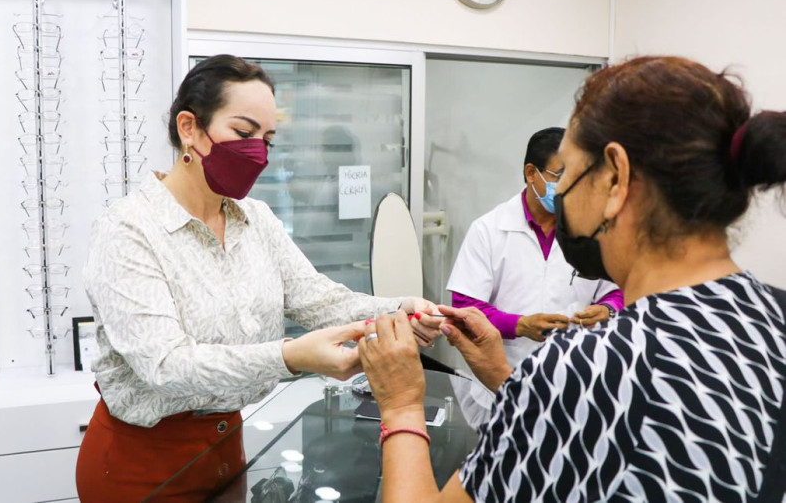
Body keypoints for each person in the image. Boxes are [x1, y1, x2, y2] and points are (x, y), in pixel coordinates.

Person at [359, 56, 786, 502]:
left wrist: (403, 405)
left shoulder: (586, 367)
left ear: (616, 178)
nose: (561, 194)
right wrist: (509, 377)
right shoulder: (772, 318)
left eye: (571, 172)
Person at [74, 54, 439, 502]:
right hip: (142, 462)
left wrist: (398, 309)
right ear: (189, 127)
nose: (258, 153)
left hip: (227, 444)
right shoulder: (128, 230)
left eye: (267, 139)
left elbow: (315, 298)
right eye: (244, 134)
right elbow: (165, 367)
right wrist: (291, 357)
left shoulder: (257, 220)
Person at [447, 127, 623, 369]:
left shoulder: (593, 227)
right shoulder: (488, 230)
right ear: (531, 173)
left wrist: (607, 309)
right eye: (560, 176)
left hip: (575, 371)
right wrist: (519, 325)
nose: (569, 187)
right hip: (504, 373)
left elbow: (620, 288)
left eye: (577, 177)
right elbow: (464, 308)